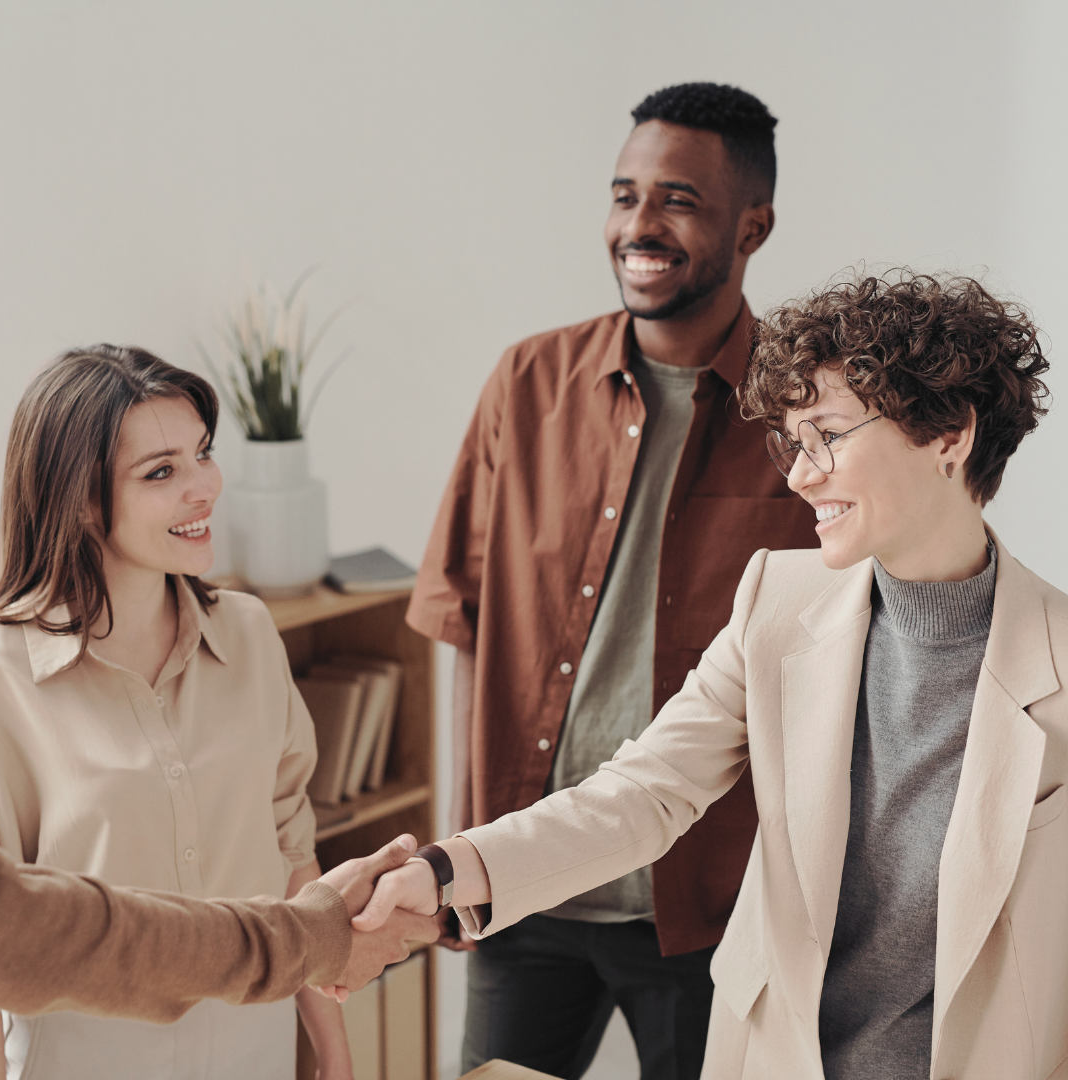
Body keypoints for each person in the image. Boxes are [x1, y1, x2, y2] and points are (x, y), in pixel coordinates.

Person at [356, 271, 1066, 1080]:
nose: (801, 476)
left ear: (950, 436)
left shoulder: (1058, 662)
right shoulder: (776, 600)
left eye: (828, 435)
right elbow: (642, 792)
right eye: (793, 444)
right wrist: (445, 872)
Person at [406, 81, 817, 1080]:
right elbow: (459, 624)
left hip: (709, 909)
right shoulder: (525, 385)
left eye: (677, 199)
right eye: (625, 194)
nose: (639, 225)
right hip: (525, 888)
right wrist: (460, 852)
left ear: (751, 226)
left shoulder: (806, 412)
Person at [0, 346, 343, 1078]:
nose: (204, 488)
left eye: (202, 454)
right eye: (161, 472)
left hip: (258, 1061)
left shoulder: (247, 634)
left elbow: (294, 862)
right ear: (81, 501)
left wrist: (334, 1059)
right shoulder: (1, 680)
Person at [0, 834, 437, 1021]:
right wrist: (311, 936)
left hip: (256, 1041)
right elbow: (23, 935)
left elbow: (294, 844)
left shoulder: (251, 642)